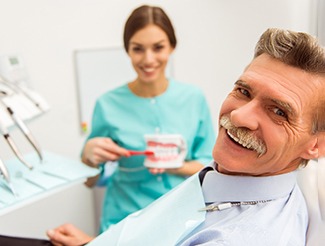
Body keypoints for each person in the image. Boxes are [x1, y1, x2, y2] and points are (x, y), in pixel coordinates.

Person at [46, 28, 325, 246]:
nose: (239, 116)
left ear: (316, 145)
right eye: (243, 91)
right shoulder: (232, 176)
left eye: (278, 111)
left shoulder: (237, 234)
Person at [80, 4, 215, 234]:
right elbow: (90, 181)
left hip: (181, 219)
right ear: (127, 50)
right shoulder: (107, 104)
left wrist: (176, 166)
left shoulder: (193, 98)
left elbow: (211, 168)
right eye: (138, 49)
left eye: (158, 47)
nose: (148, 59)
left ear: (172, 46)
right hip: (124, 222)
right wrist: (88, 158)